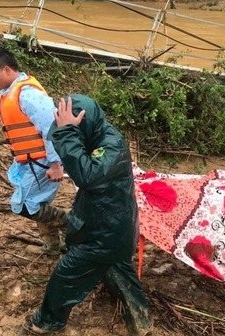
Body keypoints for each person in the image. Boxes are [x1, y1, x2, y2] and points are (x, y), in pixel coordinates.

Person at [23, 95, 153, 335]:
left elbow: (87, 175)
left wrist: (67, 133)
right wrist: (68, 132)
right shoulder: (98, 134)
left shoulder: (111, 145)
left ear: (83, 122)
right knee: (117, 268)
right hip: (106, 222)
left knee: (66, 274)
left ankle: (47, 322)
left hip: (106, 231)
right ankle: (141, 319)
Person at [0, 48, 67, 256]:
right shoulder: (10, 93)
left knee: (25, 205)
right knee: (39, 203)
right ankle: (52, 247)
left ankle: (72, 226)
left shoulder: (30, 95)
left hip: (42, 161)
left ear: (6, 70)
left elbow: (51, 127)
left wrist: (55, 164)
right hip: (30, 160)